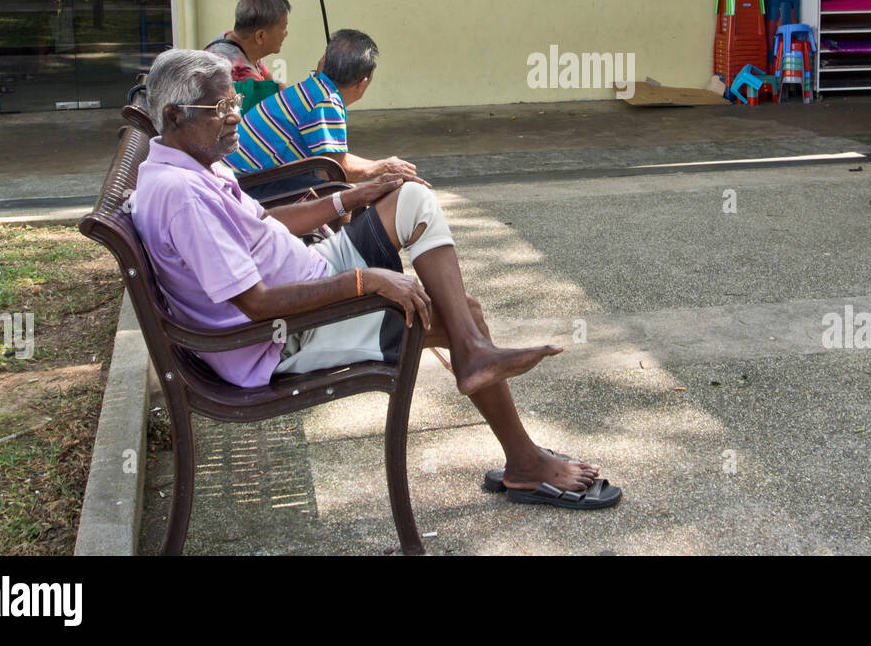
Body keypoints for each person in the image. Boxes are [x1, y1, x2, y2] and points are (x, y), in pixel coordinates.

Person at [131, 48, 621, 510]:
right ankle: (524, 458)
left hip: (311, 277)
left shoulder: (193, 166)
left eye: (234, 102)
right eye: (221, 107)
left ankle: (477, 362)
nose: (235, 116)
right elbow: (258, 305)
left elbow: (263, 225)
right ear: (175, 116)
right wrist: (368, 282)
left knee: (409, 198)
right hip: (284, 334)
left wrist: (349, 198)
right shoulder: (182, 194)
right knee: (460, 311)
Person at [225, 28, 418, 188]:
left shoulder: (312, 88)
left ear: (323, 63)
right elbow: (333, 170)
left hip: (235, 175)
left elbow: (335, 157)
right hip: (248, 188)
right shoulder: (327, 103)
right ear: (363, 82)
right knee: (344, 192)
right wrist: (383, 167)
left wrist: (386, 165)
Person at [206, 0, 292, 86]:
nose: (286, 33)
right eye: (284, 27)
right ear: (260, 36)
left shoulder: (233, 38)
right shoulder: (240, 75)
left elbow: (275, 85)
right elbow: (274, 98)